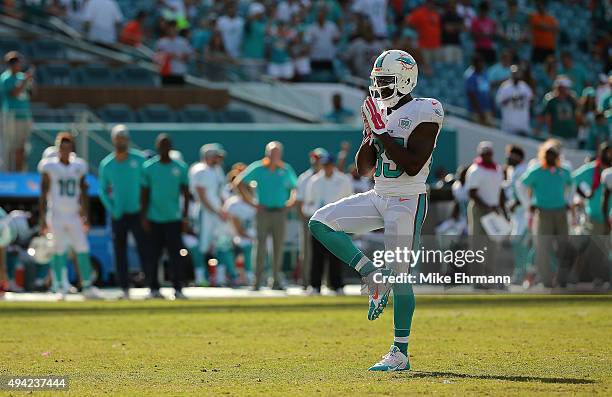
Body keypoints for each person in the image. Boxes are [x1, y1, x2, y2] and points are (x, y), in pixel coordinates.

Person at [309, 50, 444, 371]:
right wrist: (370, 135)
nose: (378, 88)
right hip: (379, 194)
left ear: (405, 80)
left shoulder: (428, 109)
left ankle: (400, 353)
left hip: (407, 199)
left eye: (384, 81)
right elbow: (364, 169)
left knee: (401, 276)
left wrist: (383, 132)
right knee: (320, 222)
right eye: (376, 81)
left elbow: (412, 165)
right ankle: (371, 274)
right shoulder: (379, 111)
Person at [39, 132, 102, 299]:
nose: (65, 150)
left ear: (72, 149)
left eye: (68, 147)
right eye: (62, 147)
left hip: (74, 214)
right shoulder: (49, 166)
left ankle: (87, 286)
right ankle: (60, 288)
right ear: (58, 148)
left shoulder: (78, 166)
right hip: (57, 214)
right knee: (58, 250)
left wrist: (85, 213)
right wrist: (42, 218)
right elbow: (43, 192)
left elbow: (84, 190)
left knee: (83, 248)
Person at [235, 141, 298, 290]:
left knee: (278, 247)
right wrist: (252, 203)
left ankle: (275, 280)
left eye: (276, 153)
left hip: (279, 212)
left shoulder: (285, 169)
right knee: (260, 247)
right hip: (263, 212)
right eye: (271, 153)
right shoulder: (258, 167)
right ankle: (256, 281)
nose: (274, 156)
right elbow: (239, 183)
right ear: (266, 153)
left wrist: (290, 202)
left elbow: (295, 187)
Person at [98, 125, 150, 299]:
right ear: (113, 140)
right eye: (118, 138)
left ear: (127, 140)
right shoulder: (107, 164)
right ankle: (124, 288)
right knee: (119, 251)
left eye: (123, 138)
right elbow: (102, 190)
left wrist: (144, 210)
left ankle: (151, 287)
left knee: (144, 249)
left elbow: (147, 185)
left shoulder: (140, 159)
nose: (121, 141)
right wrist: (112, 209)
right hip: (119, 214)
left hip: (138, 212)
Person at [141, 134, 190, 299]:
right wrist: (144, 216)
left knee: (176, 256)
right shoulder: (149, 168)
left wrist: (185, 217)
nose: (164, 148)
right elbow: (145, 194)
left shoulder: (180, 167)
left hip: (173, 219)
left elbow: (186, 194)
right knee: (153, 256)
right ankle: (153, 288)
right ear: (157, 147)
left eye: (167, 145)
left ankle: (178, 288)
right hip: (154, 218)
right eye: (161, 145)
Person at [519, 143, 573, 287]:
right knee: (543, 247)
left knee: (563, 246)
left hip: (561, 211)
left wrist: (568, 200)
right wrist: (528, 203)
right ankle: (547, 280)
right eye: (548, 153)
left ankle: (562, 280)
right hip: (543, 212)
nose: (551, 156)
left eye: (554, 154)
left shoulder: (564, 170)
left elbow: (571, 184)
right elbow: (521, 185)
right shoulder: (536, 170)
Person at [303, 154, 352, 295]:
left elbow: (349, 201)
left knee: (337, 255)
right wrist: (316, 213)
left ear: (333, 165)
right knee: (317, 256)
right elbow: (308, 203)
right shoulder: (314, 181)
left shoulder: (343, 180)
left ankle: (337, 286)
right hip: (319, 223)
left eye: (329, 165)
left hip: (337, 224)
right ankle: (315, 286)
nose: (326, 168)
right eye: (324, 165)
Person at [190, 144, 227, 285]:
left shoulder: (218, 170)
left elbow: (221, 193)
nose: (218, 159)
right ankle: (200, 277)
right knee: (202, 245)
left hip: (217, 213)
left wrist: (223, 209)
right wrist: (217, 211)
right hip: (205, 213)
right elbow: (202, 197)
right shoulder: (199, 170)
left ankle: (220, 277)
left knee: (222, 244)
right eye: (215, 156)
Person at [296, 148, 327, 289]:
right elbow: (299, 201)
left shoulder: (329, 176)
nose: (317, 161)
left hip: (327, 219)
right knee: (307, 251)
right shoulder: (305, 177)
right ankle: (306, 281)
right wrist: (305, 220)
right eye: (315, 159)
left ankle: (325, 281)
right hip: (309, 218)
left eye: (320, 159)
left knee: (328, 250)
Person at [1, 51, 33, 172]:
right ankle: (9, 173)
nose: (19, 65)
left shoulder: (22, 76)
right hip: (11, 118)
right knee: (11, 148)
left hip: (25, 116)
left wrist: (30, 82)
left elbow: (31, 94)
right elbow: (14, 94)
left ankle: (21, 173)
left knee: (23, 148)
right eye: (16, 63)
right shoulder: (6, 78)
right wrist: (24, 81)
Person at [465, 141, 506, 237]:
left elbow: (500, 190)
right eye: (484, 153)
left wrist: (501, 208)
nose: (487, 155)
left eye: (488, 153)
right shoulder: (475, 170)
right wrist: (487, 207)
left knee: (494, 240)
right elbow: (472, 193)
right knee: (479, 239)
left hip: (494, 208)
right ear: (480, 154)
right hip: (480, 208)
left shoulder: (498, 169)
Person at [495, 65, 533, 136]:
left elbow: (531, 100)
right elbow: (499, 103)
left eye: (518, 74)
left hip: (522, 125)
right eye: (514, 74)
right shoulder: (505, 87)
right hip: (509, 126)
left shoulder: (524, 87)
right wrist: (511, 98)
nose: (516, 76)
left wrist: (524, 98)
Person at [541, 76, 579, 144]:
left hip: (570, 134)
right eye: (566, 88)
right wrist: (550, 132)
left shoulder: (571, 100)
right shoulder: (551, 100)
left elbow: (578, 112)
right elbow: (547, 117)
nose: (568, 89)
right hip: (556, 134)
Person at [155, 20, 193, 85]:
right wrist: (167, 56)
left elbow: (189, 56)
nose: (172, 30)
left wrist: (179, 57)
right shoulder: (161, 42)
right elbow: (157, 58)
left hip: (179, 72)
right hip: (166, 73)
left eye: (174, 28)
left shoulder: (183, 41)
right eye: (170, 28)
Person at [405, 0, 441, 66]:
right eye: (430, 2)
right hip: (424, 45)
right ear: (427, 3)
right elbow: (409, 22)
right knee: (426, 65)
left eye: (433, 3)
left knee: (436, 67)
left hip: (436, 45)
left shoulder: (436, 13)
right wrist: (417, 30)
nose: (432, 4)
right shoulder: (420, 12)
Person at [307, 7, 340, 74]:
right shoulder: (311, 28)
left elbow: (337, 40)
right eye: (319, 15)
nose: (320, 17)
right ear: (316, 16)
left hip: (328, 57)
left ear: (325, 16)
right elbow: (307, 43)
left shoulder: (332, 26)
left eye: (322, 15)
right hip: (315, 58)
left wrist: (336, 39)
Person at [465, 55, 493, 125]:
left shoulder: (485, 76)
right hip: (476, 112)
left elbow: (488, 92)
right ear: (475, 64)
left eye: (483, 62)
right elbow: (472, 96)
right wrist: (480, 112)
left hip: (486, 109)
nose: (482, 65)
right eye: (480, 63)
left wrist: (492, 107)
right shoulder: (471, 78)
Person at [470, 1, 497, 65]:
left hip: (489, 47)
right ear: (480, 10)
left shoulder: (490, 21)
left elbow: (493, 35)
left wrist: (482, 34)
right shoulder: (475, 21)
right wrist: (486, 35)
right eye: (482, 10)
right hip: (479, 48)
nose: (484, 13)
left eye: (485, 11)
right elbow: (474, 35)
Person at [440, 0, 463, 64]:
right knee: (448, 65)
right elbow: (448, 29)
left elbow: (463, 28)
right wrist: (456, 27)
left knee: (458, 66)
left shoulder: (458, 16)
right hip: (447, 44)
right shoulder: (444, 16)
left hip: (457, 44)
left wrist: (453, 27)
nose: (452, 6)